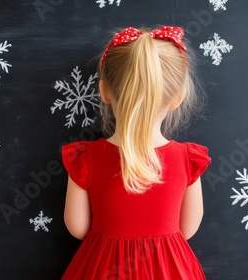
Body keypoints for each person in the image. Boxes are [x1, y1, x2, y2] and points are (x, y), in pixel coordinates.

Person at [60, 26, 211, 280]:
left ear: (105, 92)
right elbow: (188, 228)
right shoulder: (188, 159)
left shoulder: (85, 157)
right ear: (178, 98)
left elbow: (77, 227)